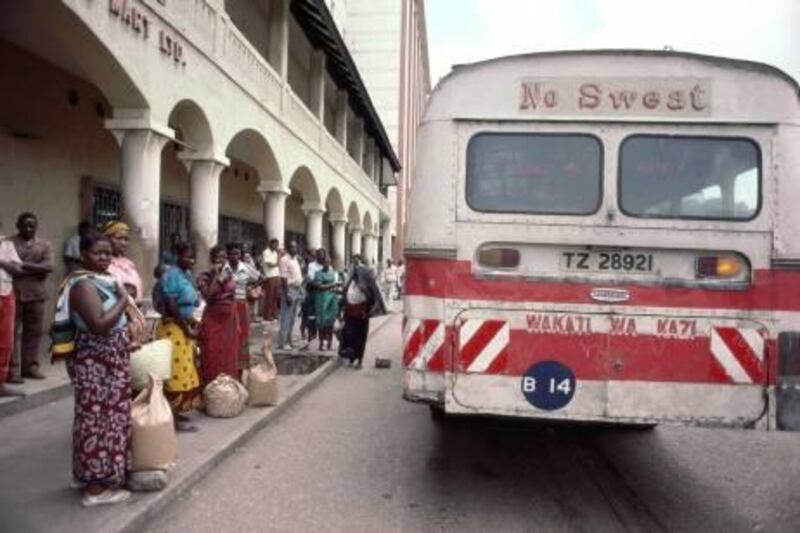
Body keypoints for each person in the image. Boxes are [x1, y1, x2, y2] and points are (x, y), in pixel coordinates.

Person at [62, 231, 132, 507]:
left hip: (110, 362)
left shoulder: (101, 281)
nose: (105, 258)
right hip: (97, 364)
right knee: (97, 420)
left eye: (108, 253)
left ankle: (93, 477)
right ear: (83, 256)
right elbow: (99, 324)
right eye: (98, 253)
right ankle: (95, 488)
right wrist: (124, 300)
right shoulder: (82, 285)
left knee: (108, 418)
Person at [156, 243, 202, 431]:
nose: (191, 260)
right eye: (187, 256)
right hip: (174, 329)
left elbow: (188, 304)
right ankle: (170, 419)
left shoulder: (186, 275)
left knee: (184, 370)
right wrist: (186, 328)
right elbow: (173, 306)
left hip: (184, 327)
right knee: (173, 374)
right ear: (177, 256)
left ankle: (175, 412)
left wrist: (192, 322)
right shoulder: (172, 275)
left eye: (193, 257)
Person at [10, 212, 53, 381]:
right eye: (25, 225)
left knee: (33, 333)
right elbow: (9, 267)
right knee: (10, 333)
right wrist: (37, 268)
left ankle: (30, 367)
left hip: (37, 294)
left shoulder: (44, 245)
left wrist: (22, 265)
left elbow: (49, 266)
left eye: (32, 226)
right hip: (14, 292)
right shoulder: (9, 244)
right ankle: (11, 370)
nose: (29, 229)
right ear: (18, 225)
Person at [197, 246, 239, 385]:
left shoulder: (229, 275)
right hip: (213, 319)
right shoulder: (205, 276)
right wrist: (217, 279)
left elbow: (233, 297)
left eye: (223, 257)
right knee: (211, 352)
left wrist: (236, 320)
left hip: (228, 320)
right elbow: (208, 297)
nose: (221, 261)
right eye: (218, 257)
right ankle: (211, 387)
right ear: (212, 259)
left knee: (228, 353)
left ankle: (228, 388)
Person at [339, 254, 386, 368]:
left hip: (361, 314)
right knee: (349, 336)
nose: (355, 272)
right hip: (350, 313)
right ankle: (351, 357)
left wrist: (368, 311)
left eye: (357, 270)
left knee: (360, 338)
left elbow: (372, 297)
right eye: (353, 270)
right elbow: (344, 297)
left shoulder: (365, 284)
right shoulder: (349, 282)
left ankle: (359, 361)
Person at [227, 242, 261, 371]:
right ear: (228, 255)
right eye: (232, 254)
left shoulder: (246, 267)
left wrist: (250, 289)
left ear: (240, 255)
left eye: (237, 253)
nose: (234, 256)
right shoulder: (224, 268)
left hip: (241, 305)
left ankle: (240, 369)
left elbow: (260, 278)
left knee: (242, 335)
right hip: (228, 306)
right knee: (230, 336)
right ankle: (230, 366)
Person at [0, 230, 24, 397]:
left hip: (5, 293)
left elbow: (17, 269)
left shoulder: (6, 244)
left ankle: (0, 384)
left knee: (5, 341)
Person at [101, 221, 144, 303]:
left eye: (126, 239)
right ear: (106, 238)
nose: (123, 243)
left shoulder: (129, 264)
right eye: (119, 238)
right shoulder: (103, 263)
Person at [277, 240, 303, 350]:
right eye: (292, 247)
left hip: (297, 290)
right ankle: (283, 343)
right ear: (288, 248)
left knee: (292, 319)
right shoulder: (284, 260)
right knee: (286, 318)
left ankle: (289, 340)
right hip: (289, 290)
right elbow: (283, 278)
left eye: (295, 247)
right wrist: (287, 294)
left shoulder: (295, 259)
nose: (294, 249)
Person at [313, 251, 339, 352]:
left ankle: (329, 343)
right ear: (322, 263)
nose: (327, 263)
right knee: (322, 322)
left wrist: (335, 287)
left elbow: (335, 284)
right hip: (322, 299)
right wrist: (332, 285)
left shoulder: (332, 273)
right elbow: (318, 286)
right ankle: (321, 343)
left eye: (329, 262)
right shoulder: (318, 273)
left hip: (332, 299)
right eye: (325, 262)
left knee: (330, 321)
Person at [260, 238, 281, 321]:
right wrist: (278, 260)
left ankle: (274, 313)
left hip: (276, 275)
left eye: (277, 244)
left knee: (275, 296)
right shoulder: (266, 252)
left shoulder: (275, 253)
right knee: (269, 296)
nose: (276, 246)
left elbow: (276, 264)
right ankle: (267, 315)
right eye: (275, 244)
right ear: (271, 244)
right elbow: (270, 264)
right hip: (269, 276)